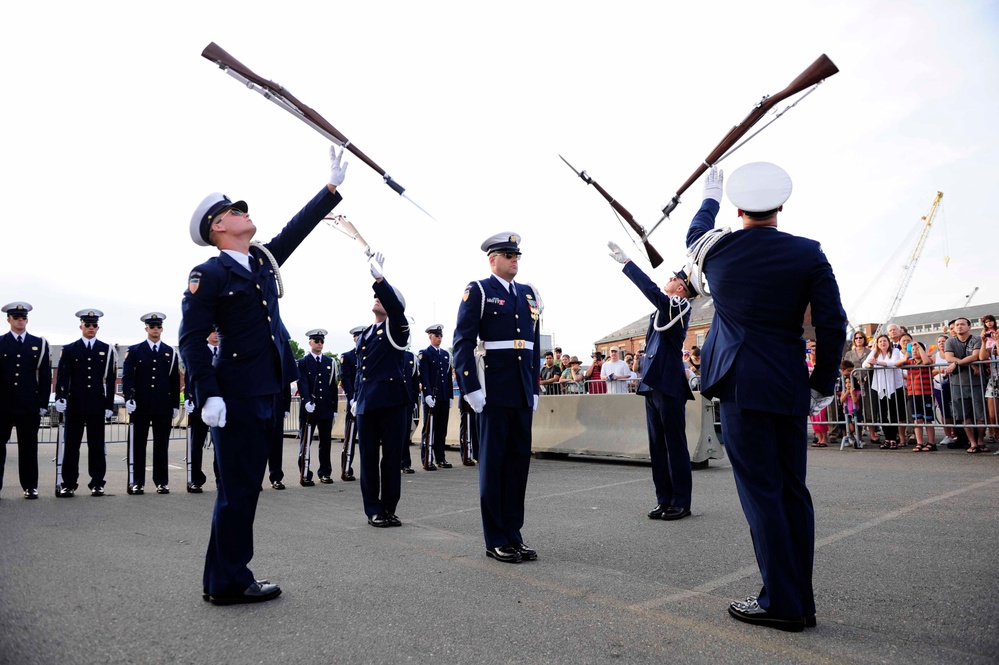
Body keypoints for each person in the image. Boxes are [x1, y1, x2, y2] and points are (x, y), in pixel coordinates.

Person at [179, 145, 347, 605]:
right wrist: (207, 393)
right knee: (237, 491)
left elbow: (298, 229)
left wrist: (330, 189)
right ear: (218, 227)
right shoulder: (207, 274)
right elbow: (191, 339)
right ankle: (233, 580)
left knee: (243, 490)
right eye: (235, 211)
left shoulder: (261, 262)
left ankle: (222, 580)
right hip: (234, 395)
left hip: (266, 392)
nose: (244, 213)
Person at [686, 163, 846, 632]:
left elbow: (696, 233)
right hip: (789, 382)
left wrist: (709, 194)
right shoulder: (808, 253)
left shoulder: (719, 250)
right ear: (781, 206)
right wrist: (822, 382)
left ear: (738, 209)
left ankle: (781, 601)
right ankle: (800, 600)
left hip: (741, 384)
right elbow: (833, 324)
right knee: (792, 492)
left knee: (762, 496)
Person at [454, 232, 542, 564]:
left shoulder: (528, 293)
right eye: (508, 255)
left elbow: (533, 346)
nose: (514, 260)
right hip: (493, 390)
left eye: (516, 255)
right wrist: (470, 388)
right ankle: (495, 539)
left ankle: (513, 534)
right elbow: (462, 341)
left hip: (520, 390)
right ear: (492, 260)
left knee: (517, 466)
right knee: (493, 467)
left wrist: (533, 387)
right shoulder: (479, 290)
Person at [607, 244, 696, 521]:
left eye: (674, 279)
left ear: (681, 289)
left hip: (669, 384)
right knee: (657, 446)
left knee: (675, 445)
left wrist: (628, 264)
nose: (668, 279)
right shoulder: (661, 310)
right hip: (653, 383)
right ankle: (664, 499)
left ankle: (681, 501)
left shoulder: (678, 306)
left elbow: (652, 292)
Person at [352, 254, 410, 527]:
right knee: (369, 460)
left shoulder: (397, 328)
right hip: (366, 404)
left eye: (384, 297)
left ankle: (389, 507)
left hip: (392, 402)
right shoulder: (364, 334)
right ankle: (373, 509)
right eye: (376, 296)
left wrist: (379, 280)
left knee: (390, 460)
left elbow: (396, 312)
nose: (377, 299)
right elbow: (360, 371)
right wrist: (355, 398)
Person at [54, 309, 116, 498]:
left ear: (98, 327)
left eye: (94, 325)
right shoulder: (70, 349)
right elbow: (63, 376)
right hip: (75, 404)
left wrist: (108, 405)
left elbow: (111, 380)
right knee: (72, 446)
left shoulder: (107, 349)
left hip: (96, 404)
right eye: (87, 324)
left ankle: (97, 483)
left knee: (96, 446)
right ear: (80, 326)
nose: (91, 328)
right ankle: (69, 483)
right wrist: (60, 397)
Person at [122, 312, 181, 494]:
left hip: (162, 405)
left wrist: (174, 405)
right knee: (138, 444)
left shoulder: (170, 352)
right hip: (140, 405)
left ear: (162, 329)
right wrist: (128, 398)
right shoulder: (135, 351)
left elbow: (174, 380)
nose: (155, 330)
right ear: (146, 328)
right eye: (152, 326)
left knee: (161, 445)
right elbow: (128, 378)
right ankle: (136, 481)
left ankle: (161, 481)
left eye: (158, 327)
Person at [0, 302, 51, 500]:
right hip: (3, 404)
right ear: (9, 320)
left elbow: (45, 376)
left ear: (27, 320)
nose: (20, 321)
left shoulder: (39, 343)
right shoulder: (1, 343)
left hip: (29, 404)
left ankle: (30, 486)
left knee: (29, 447)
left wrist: (43, 404)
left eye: (23, 318)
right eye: (16, 318)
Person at [297, 329, 339, 485]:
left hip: (325, 408)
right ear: (310, 343)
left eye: (322, 341)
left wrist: (334, 408)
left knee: (325, 442)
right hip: (309, 408)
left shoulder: (330, 362)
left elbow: (333, 386)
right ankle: (305, 472)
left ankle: (325, 472)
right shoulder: (303, 362)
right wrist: (306, 400)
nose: (319, 344)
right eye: (316, 341)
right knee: (305, 441)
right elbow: (302, 382)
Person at [183, 330, 221, 493]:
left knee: (221, 445)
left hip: (221, 404)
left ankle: (221, 478)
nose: (215, 334)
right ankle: (195, 479)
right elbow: (190, 375)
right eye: (212, 331)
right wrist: (188, 397)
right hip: (200, 403)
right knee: (196, 443)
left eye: (218, 331)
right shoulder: (198, 350)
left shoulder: (226, 352)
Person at [945, 317, 987, 453]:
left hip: (976, 383)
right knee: (964, 415)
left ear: (969, 327)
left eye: (963, 324)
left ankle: (980, 441)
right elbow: (948, 358)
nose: (959, 327)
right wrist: (969, 364)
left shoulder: (976, 339)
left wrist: (957, 363)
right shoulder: (950, 341)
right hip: (957, 384)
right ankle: (972, 442)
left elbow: (975, 356)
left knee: (980, 415)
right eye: (957, 325)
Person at [418, 324, 453, 470]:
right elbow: (424, 375)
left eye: (440, 336)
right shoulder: (425, 353)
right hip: (431, 397)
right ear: (430, 336)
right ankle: (427, 458)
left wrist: (450, 396)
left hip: (443, 396)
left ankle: (440, 458)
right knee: (428, 429)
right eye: (436, 336)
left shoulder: (446, 355)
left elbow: (448, 377)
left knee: (441, 429)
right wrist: (427, 394)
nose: (439, 339)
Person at [863, 334, 906, 448]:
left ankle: (893, 438)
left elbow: (894, 363)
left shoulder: (895, 351)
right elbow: (865, 364)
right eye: (880, 341)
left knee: (893, 412)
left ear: (888, 342)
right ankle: (887, 438)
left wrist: (877, 363)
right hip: (879, 385)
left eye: (885, 341)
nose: (882, 343)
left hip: (893, 386)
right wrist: (869, 365)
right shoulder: (874, 352)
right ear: (877, 343)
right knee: (882, 413)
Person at [339, 326, 365, 480]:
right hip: (355, 402)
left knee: (367, 439)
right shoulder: (348, 357)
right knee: (350, 437)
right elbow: (346, 379)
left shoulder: (370, 354)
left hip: (367, 401)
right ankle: (346, 467)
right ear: (354, 339)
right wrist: (352, 398)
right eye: (358, 337)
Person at [931, 333, 958, 448]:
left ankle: (957, 433)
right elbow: (930, 372)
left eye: (944, 341)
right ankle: (947, 435)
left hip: (954, 384)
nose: (941, 343)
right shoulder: (934, 356)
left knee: (956, 410)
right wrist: (939, 370)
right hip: (939, 385)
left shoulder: (953, 354)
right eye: (939, 341)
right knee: (944, 410)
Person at [977, 314, 999, 445]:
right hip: (993, 380)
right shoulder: (989, 341)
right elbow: (982, 357)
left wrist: (996, 340)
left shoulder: (996, 340)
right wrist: (984, 342)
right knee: (993, 416)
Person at [401, 345, 419, 474]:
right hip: (391, 401)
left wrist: (414, 401)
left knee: (406, 433)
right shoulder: (388, 352)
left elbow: (414, 381)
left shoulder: (410, 357)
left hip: (406, 401)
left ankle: (405, 463)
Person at [837, 360, 862, 448]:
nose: (848, 384)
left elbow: (856, 400)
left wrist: (852, 392)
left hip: (856, 410)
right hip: (846, 411)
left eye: (849, 383)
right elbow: (842, 399)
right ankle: (848, 437)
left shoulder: (857, 390)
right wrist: (847, 392)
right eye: (849, 370)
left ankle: (858, 439)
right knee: (849, 426)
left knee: (857, 425)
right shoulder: (842, 384)